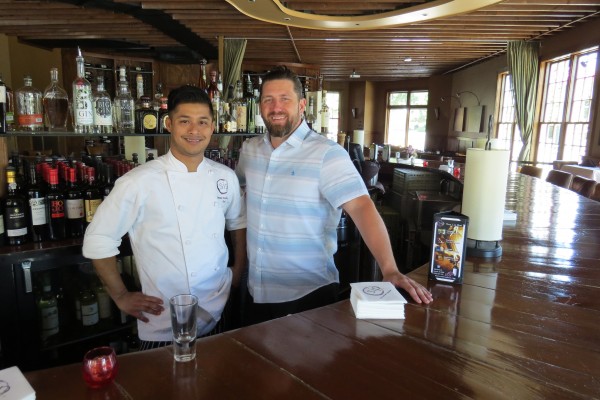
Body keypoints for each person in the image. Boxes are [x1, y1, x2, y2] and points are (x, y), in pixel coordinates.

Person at [236, 66, 432, 325]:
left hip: (308, 295)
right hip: (255, 292)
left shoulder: (326, 153)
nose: (276, 107)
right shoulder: (249, 151)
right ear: (259, 105)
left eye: (285, 99)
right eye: (268, 100)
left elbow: (362, 208)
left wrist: (390, 269)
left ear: (302, 104)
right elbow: (234, 198)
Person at [83, 85, 246, 349]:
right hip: (163, 320)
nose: (194, 131)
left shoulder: (224, 176)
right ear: (169, 124)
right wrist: (121, 295)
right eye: (185, 121)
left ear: (212, 126)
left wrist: (238, 271)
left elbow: (238, 224)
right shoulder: (138, 181)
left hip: (219, 307)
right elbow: (98, 239)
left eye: (202, 122)